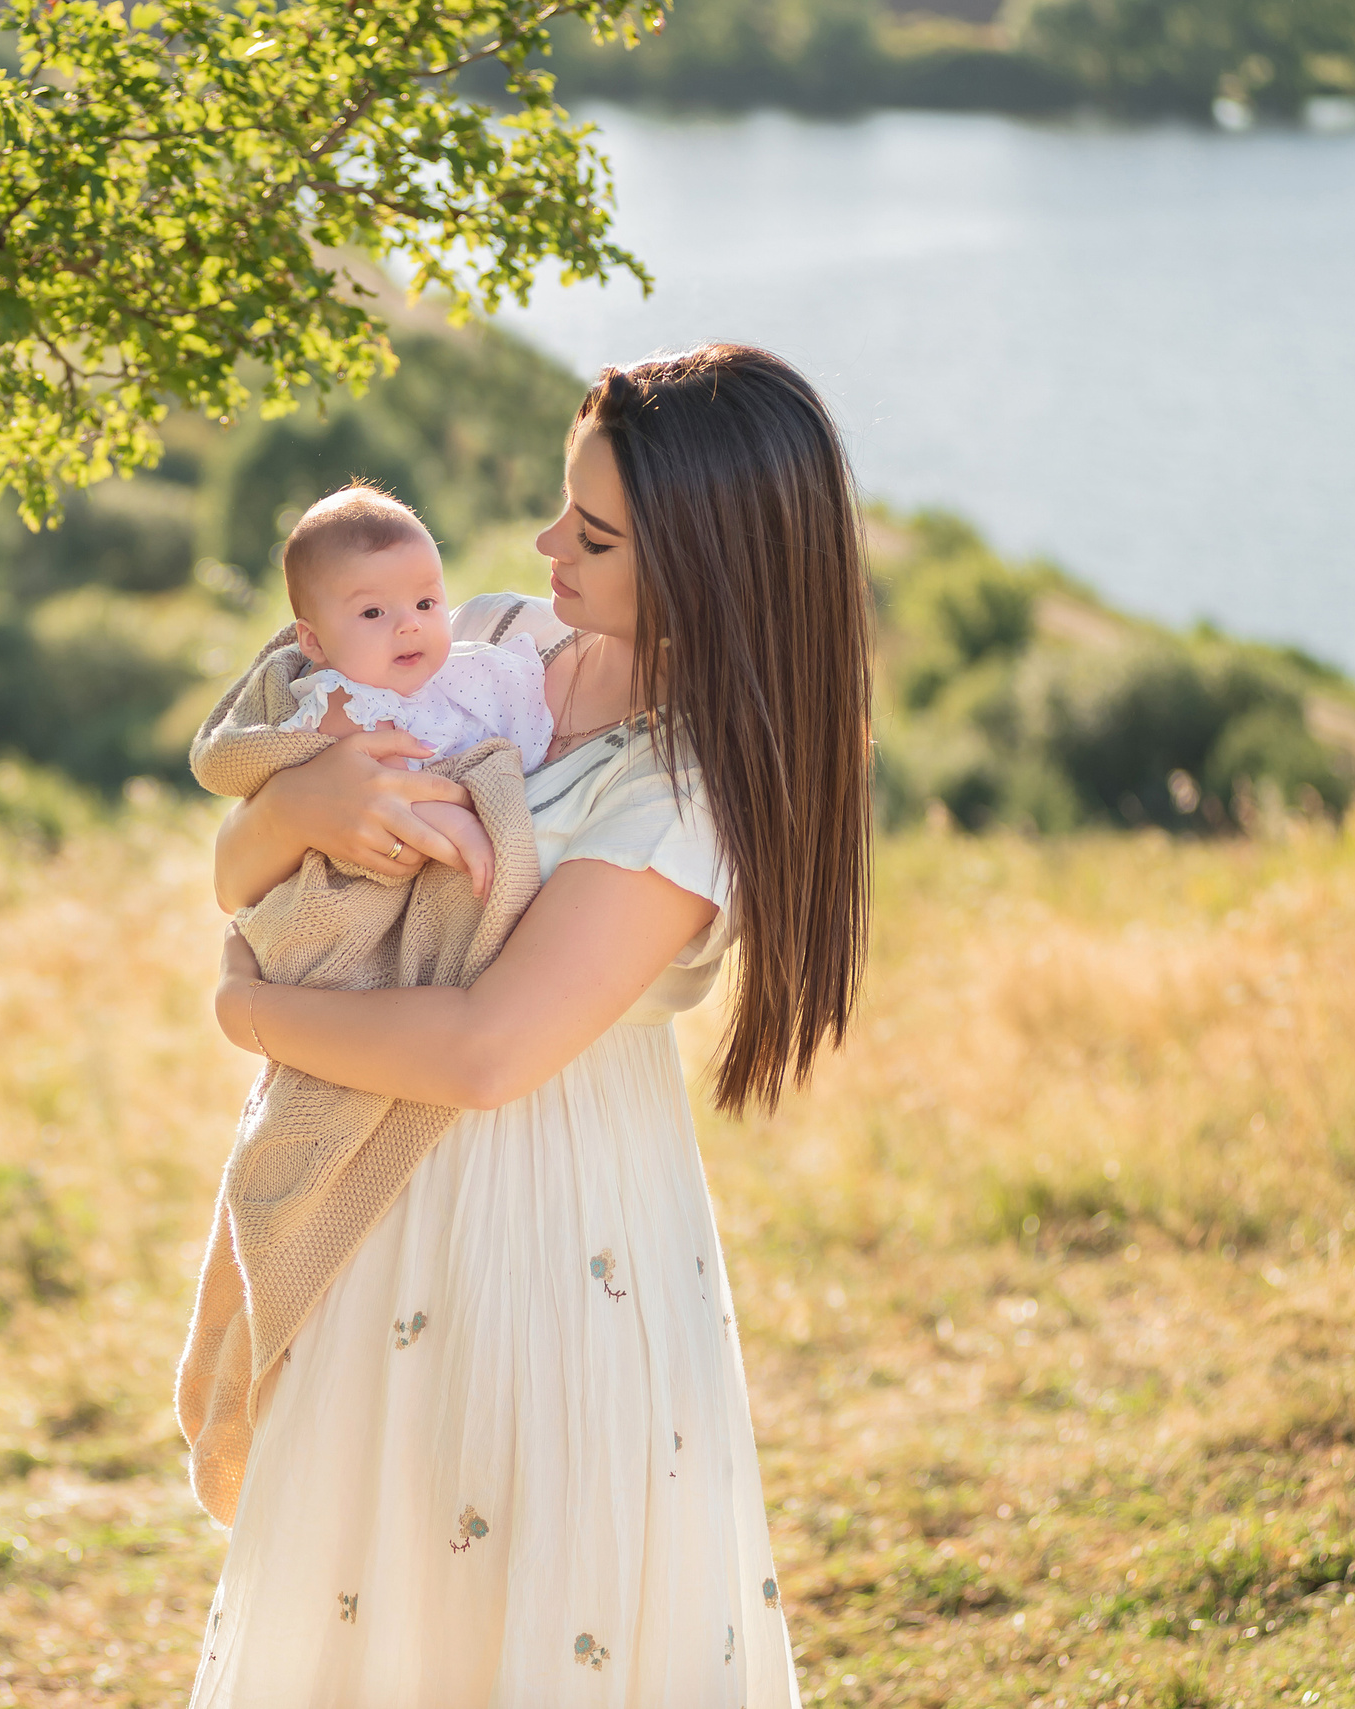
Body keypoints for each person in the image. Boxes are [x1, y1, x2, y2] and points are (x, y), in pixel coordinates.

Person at [190, 343, 874, 1708]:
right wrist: (294, 812)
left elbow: (488, 1053)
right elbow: (241, 864)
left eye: (597, 533)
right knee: (368, 1598)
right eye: (568, 504)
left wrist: (251, 1009)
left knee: (525, 1603)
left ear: (708, 563)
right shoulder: (490, 647)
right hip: (371, 1189)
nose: (546, 542)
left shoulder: (683, 794)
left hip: (554, 1225)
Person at [271, 480, 554, 896]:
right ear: (313, 641)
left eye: (425, 603)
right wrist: (465, 829)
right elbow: (395, 796)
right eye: (373, 612)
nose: (410, 624)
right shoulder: (344, 701)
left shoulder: (459, 672)